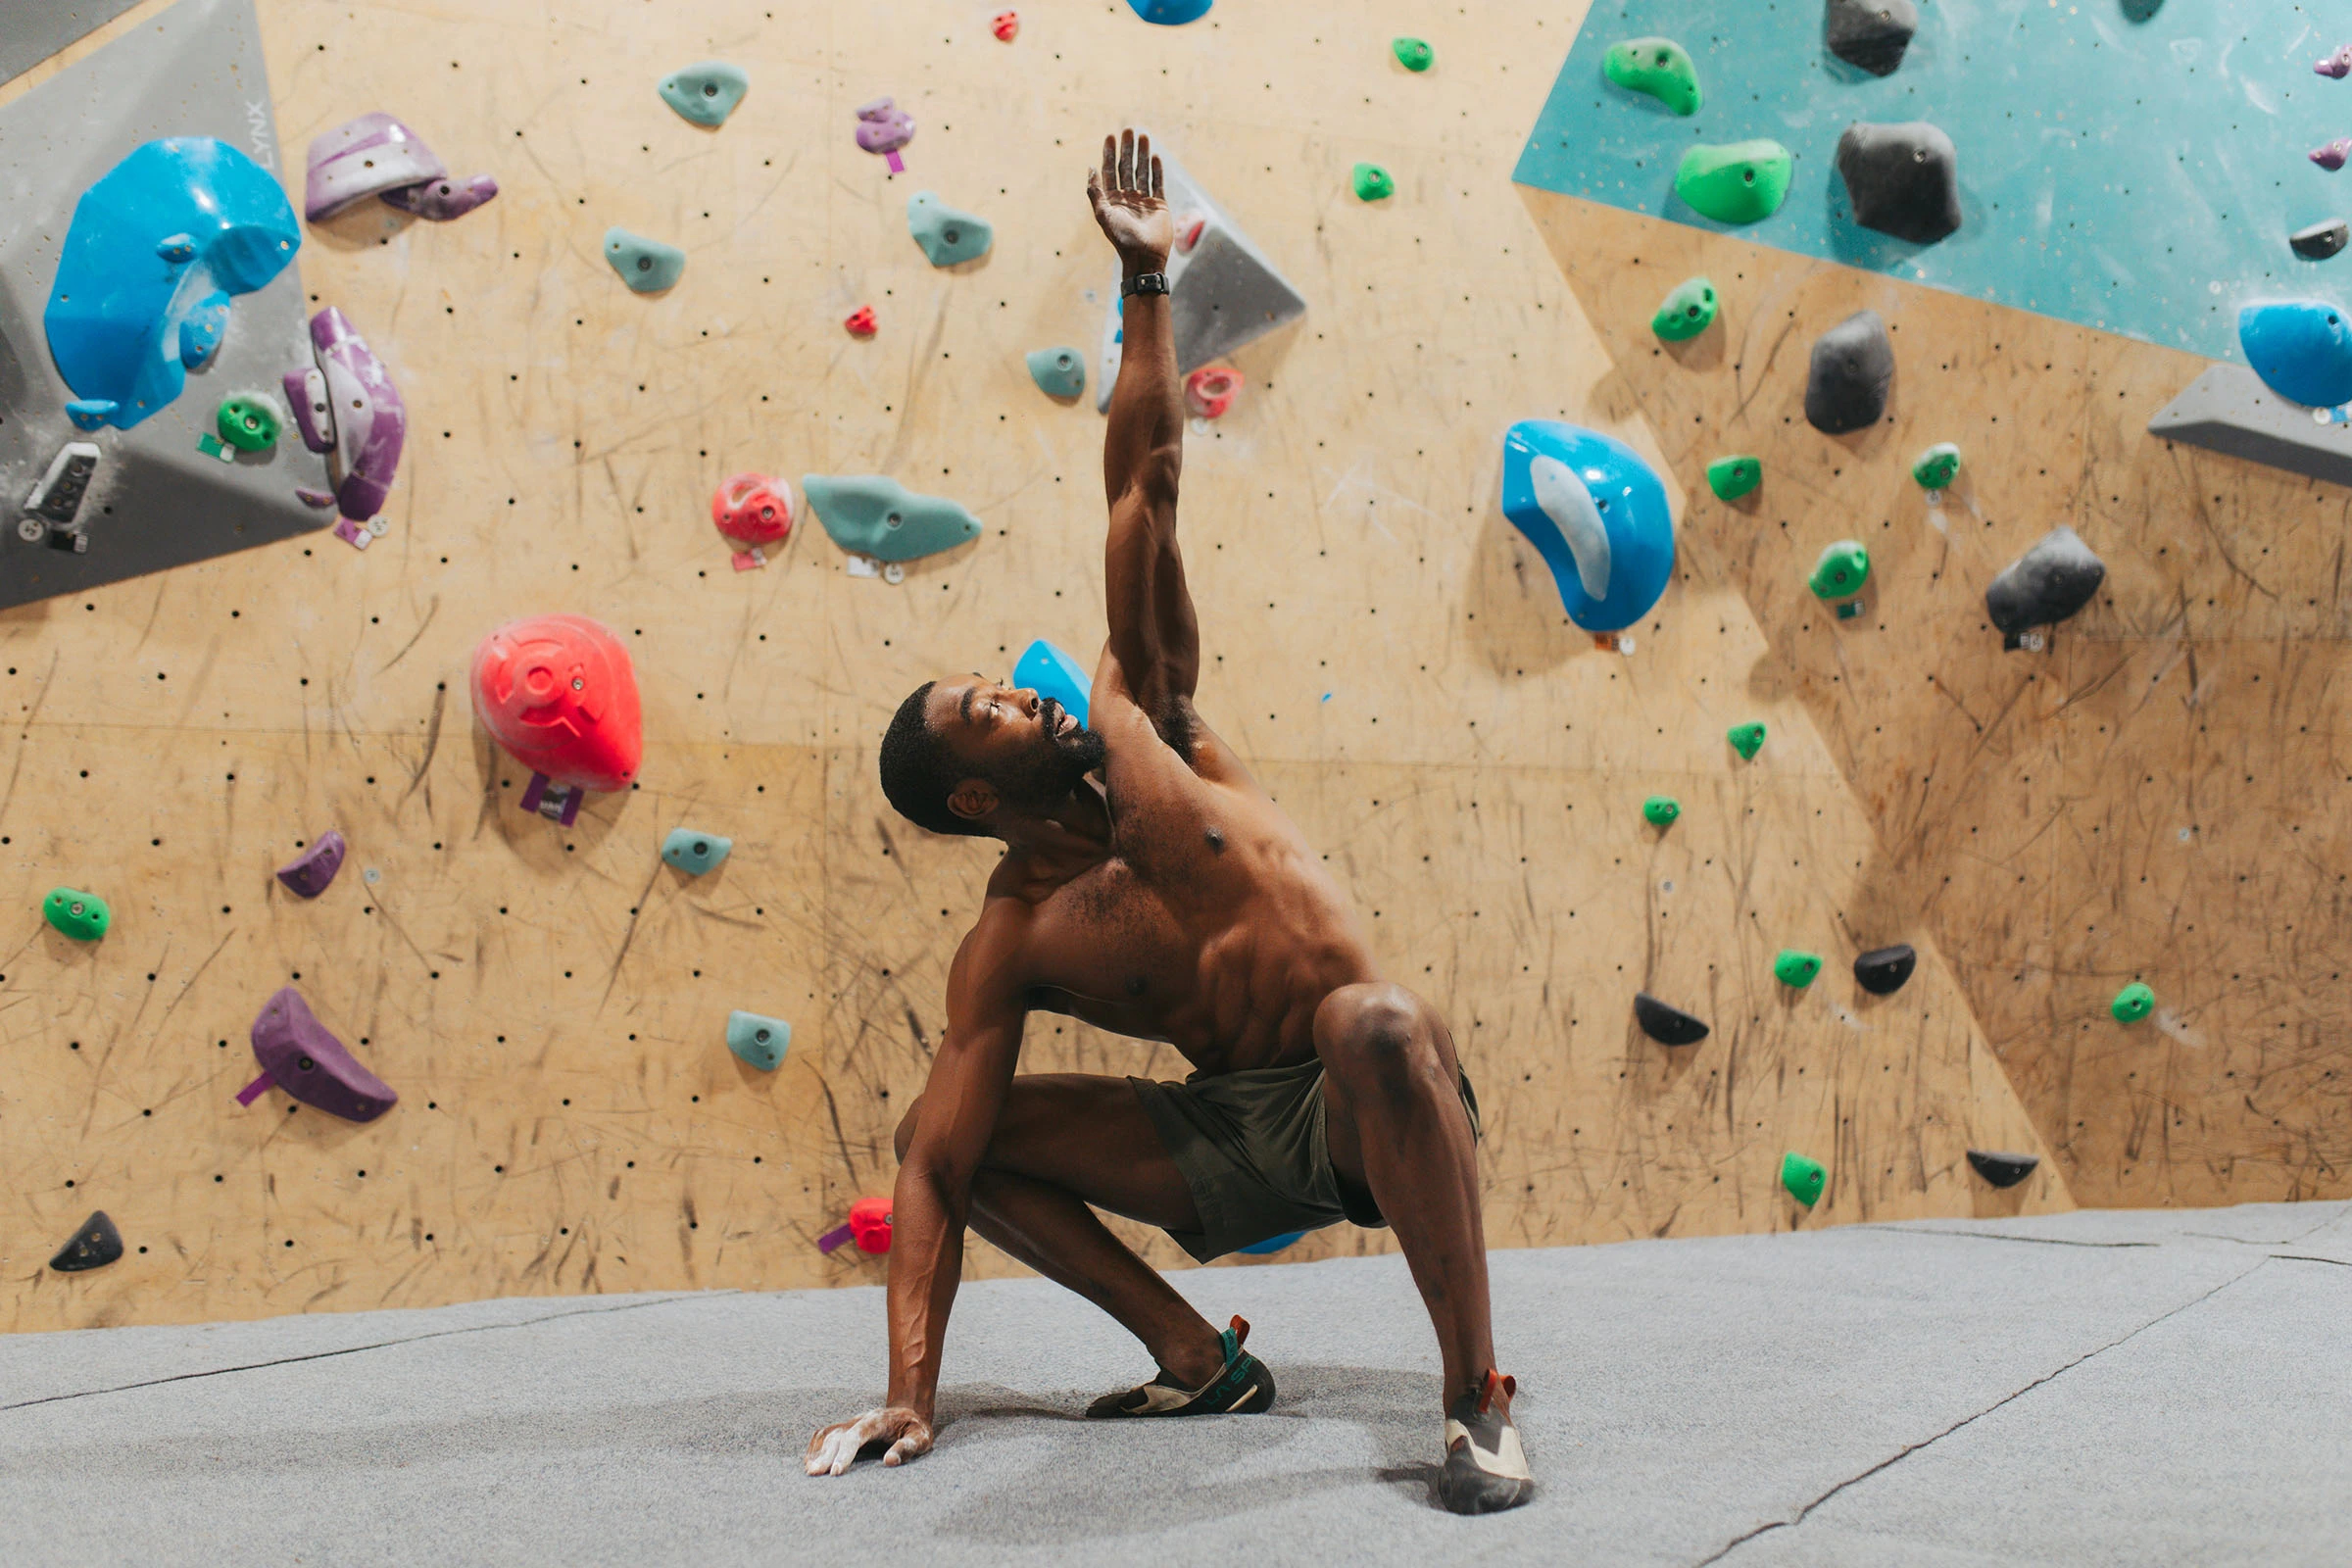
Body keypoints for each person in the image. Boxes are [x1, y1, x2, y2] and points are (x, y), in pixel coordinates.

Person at [804, 129, 1532, 1515]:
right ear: (977, 798)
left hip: (1367, 1093)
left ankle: (1473, 1400)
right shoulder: (1016, 937)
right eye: (989, 712)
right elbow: (935, 1165)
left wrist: (1145, 285)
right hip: (1232, 1143)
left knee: (1371, 1020)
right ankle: (1196, 1360)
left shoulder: (1146, 719)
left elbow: (1143, 480)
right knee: (959, 1132)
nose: (1019, 697)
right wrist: (913, 1388)